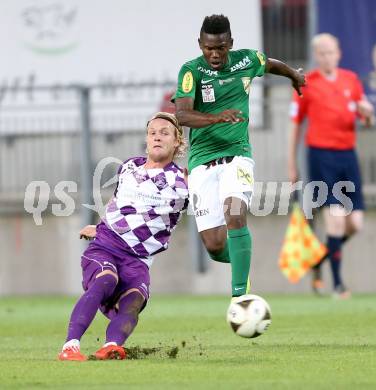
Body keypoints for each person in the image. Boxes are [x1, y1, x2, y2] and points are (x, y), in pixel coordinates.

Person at [172, 14, 305, 299]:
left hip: (237, 156)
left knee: (235, 214)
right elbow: (181, 115)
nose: (215, 54)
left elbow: (271, 65)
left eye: (221, 47)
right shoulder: (191, 71)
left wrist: (294, 75)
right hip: (201, 162)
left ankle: (240, 298)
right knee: (214, 244)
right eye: (209, 48)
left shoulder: (246, 61)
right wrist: (217, 118)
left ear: (230, 43)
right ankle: (241, 263)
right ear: (200, 45)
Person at [58, 112, 188, 361]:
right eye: (152, 133)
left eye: (164, 133)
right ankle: (70, 347)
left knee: (134, 300)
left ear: (177, 142)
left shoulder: (181, 181)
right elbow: (119, 203)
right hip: (106, 246)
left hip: (139, 260)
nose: (157, 137)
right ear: (146, 139)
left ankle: (111, 346)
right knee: (106, 279)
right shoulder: (129, 166)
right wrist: (99, 227)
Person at [288, 33, 374, 298]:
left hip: (348, 156)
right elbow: (295, 126)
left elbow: (366, 120)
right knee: (335, 218)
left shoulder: (351, 81)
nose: (327, 56)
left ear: (338, 53)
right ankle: (337, 284)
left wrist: (367, 113)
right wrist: (292, 163)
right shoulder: (306, 83)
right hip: (321, 156)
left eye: (331, 51)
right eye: (322, 52)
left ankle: (318, 262)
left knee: (355, 224)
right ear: (316, 55)